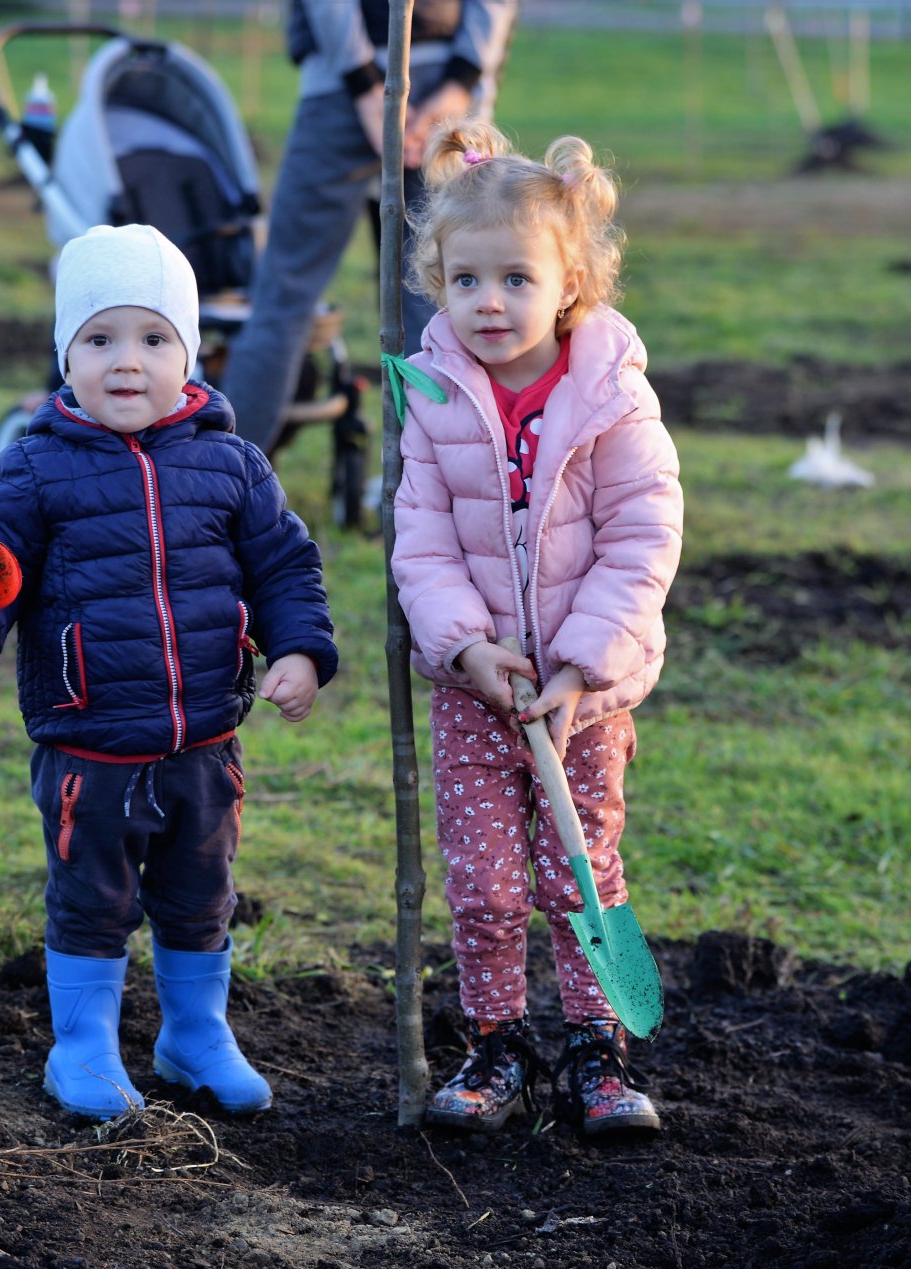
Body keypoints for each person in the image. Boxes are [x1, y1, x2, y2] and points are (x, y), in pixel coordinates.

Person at [0, 224, 338, 1121]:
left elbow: (284, 567)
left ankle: (195, 1037)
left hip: (204, 736)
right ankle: (81, 1048)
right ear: (65, 356)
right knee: (93, 897)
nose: (127, 363)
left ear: (188, 357)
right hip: (90, 738)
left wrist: (300, 648)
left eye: (154, 340)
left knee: (201, 895)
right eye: (100, 339)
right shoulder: (35, 469)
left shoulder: (231, 464)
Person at [390, 121, 682, 1138]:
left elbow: (644, 537)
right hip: (478, 688)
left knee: (580, 868)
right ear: (438, 282)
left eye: (516, 279)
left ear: (570, 283)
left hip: (582, 692)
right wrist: (464, 647)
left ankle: (600, 1048)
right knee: (483, 881)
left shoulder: (610, 397)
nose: (489, 302)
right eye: (465, 280)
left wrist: (579, 664)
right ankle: (497, 1043)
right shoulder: (430, 396)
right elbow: (419, 539)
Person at [219, 0, 517, 456]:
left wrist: (364, 83)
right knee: (442, 299)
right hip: (446, 91)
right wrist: (461, 81)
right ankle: (448, 486)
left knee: (282, 297)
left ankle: (222, 487)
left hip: (341, 88)